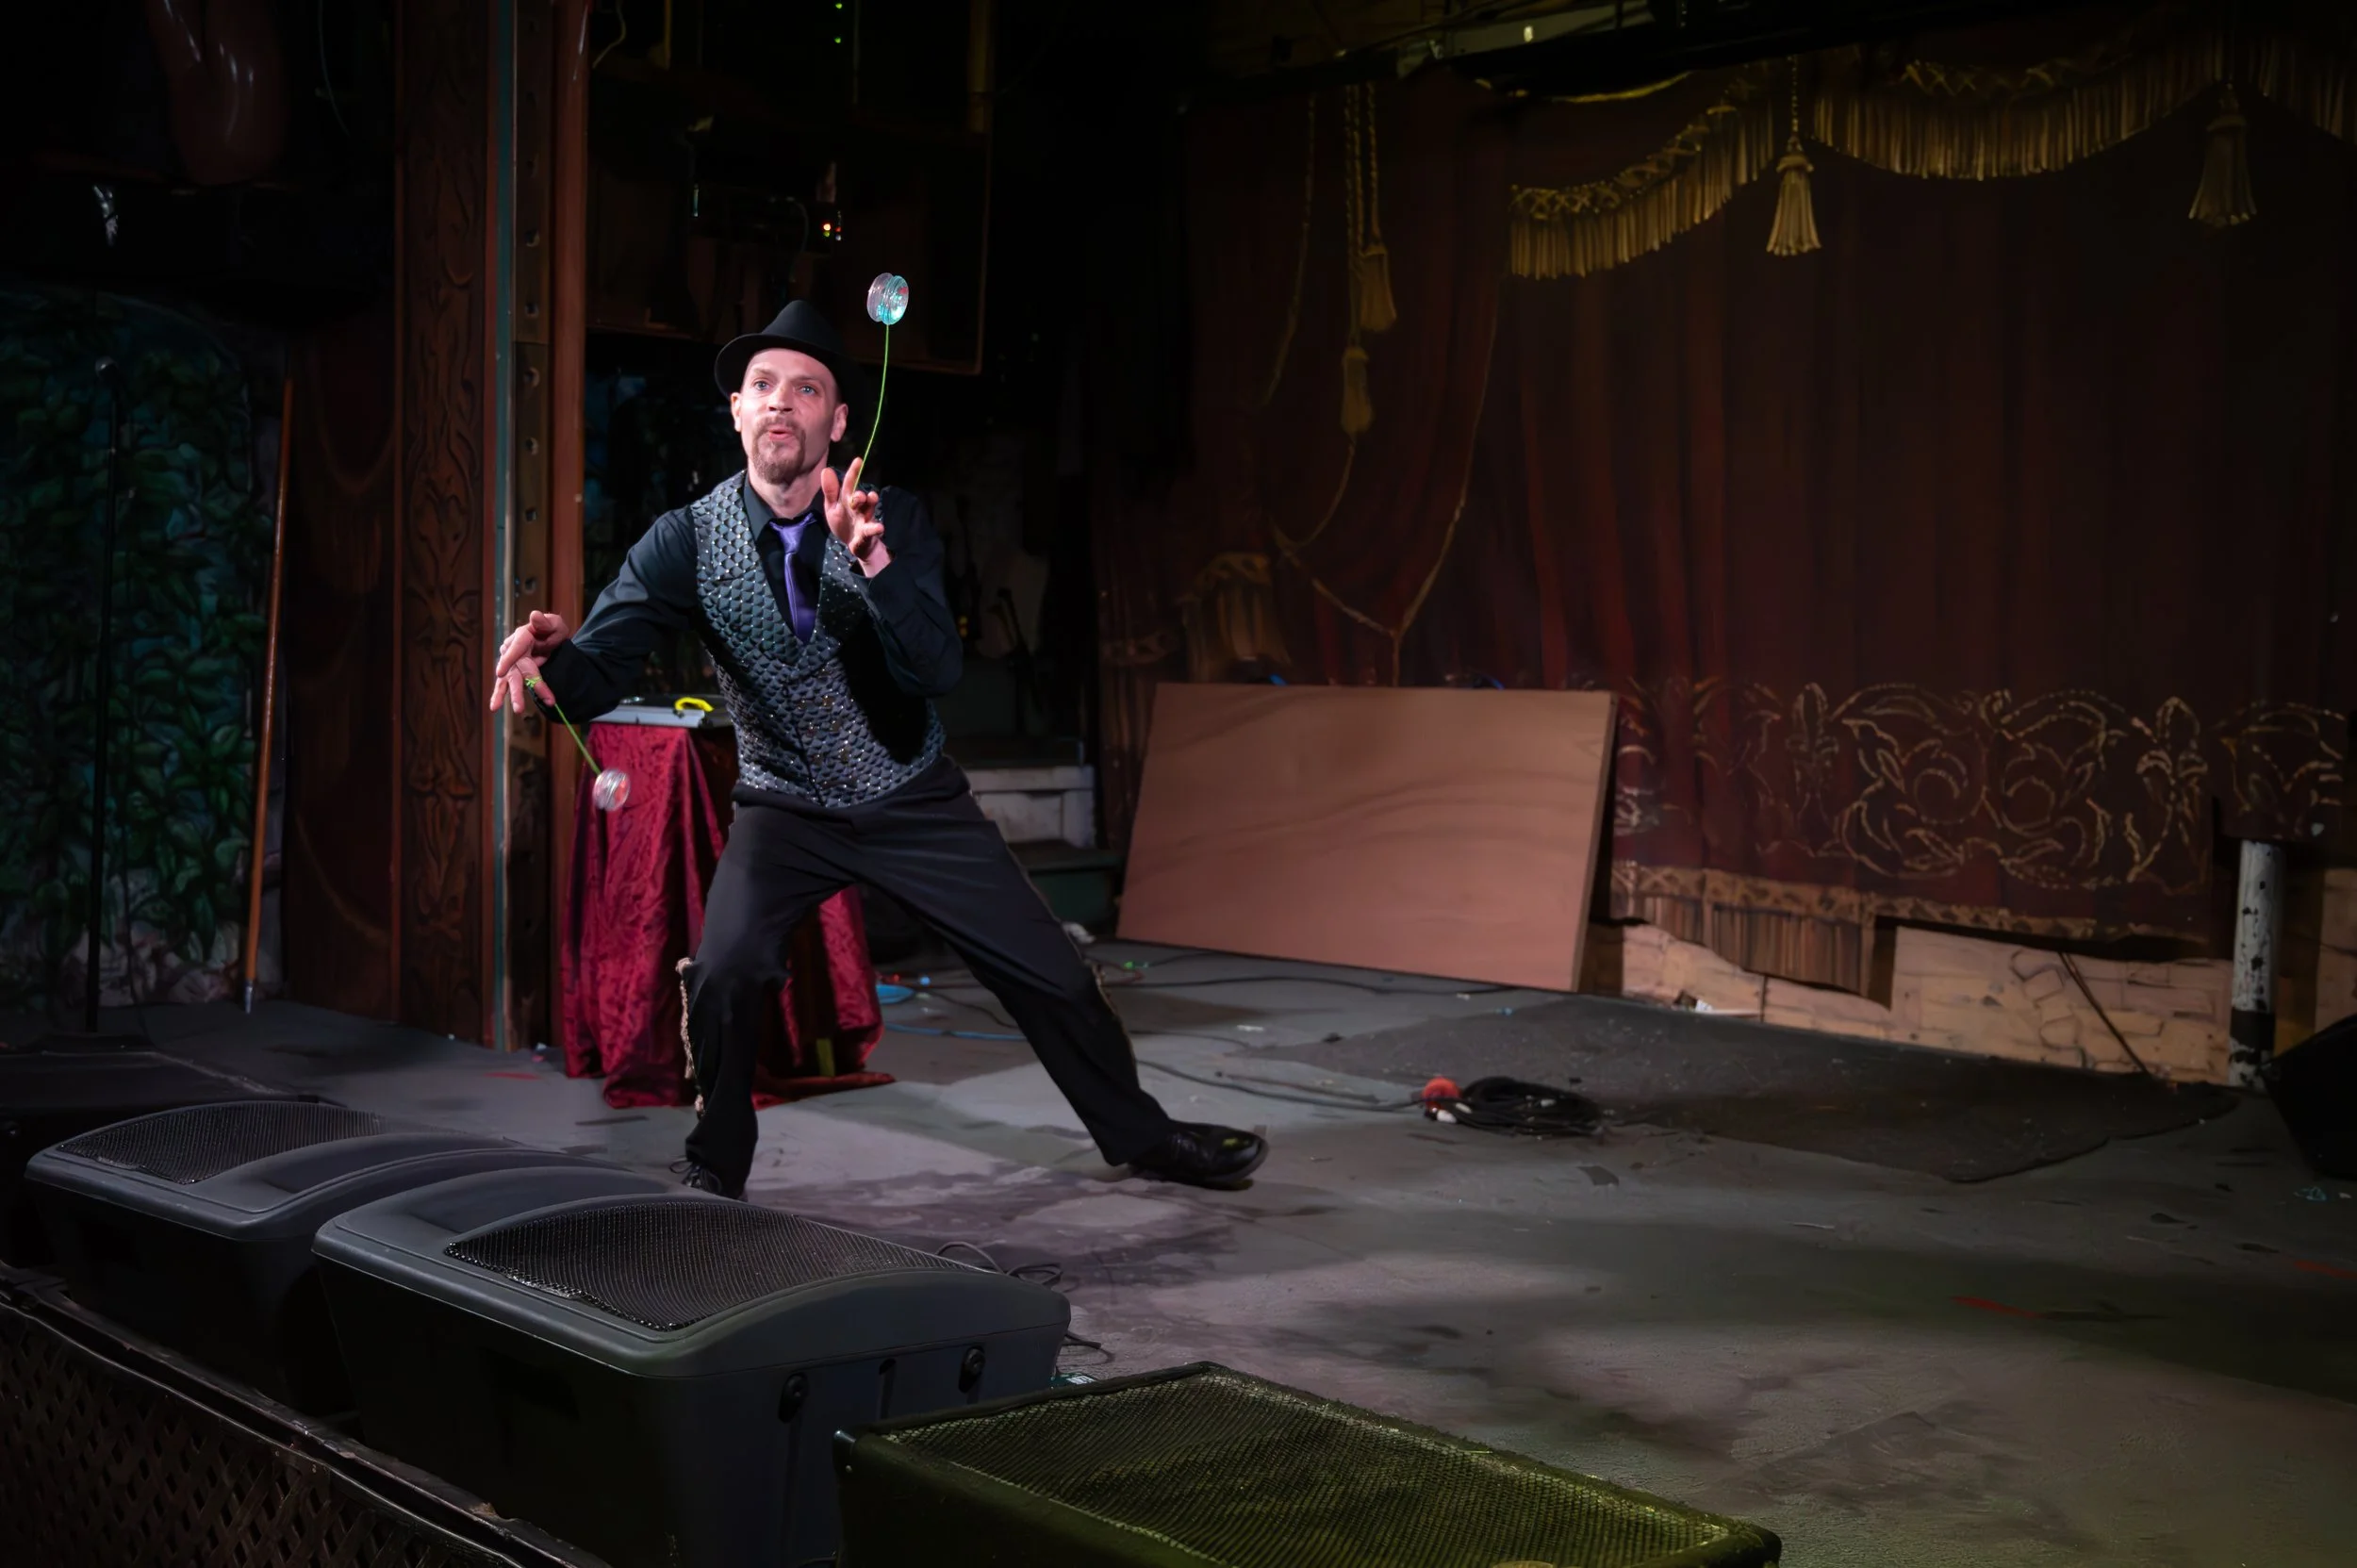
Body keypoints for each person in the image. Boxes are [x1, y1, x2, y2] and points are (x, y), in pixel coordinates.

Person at [487, 301, 1267, 1197]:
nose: (783, 403)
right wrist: (552, 661)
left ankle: (1145, 1137)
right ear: (736, 412)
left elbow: (936, 667)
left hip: (910, 795)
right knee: (727, 968)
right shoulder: (682, 541)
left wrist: (874, 564)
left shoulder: (891, 517)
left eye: (807, 389)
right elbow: (593, 683)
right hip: (784, 807)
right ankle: (716, 1168)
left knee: (1053, 975)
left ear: (837, 420)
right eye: (763, 387)